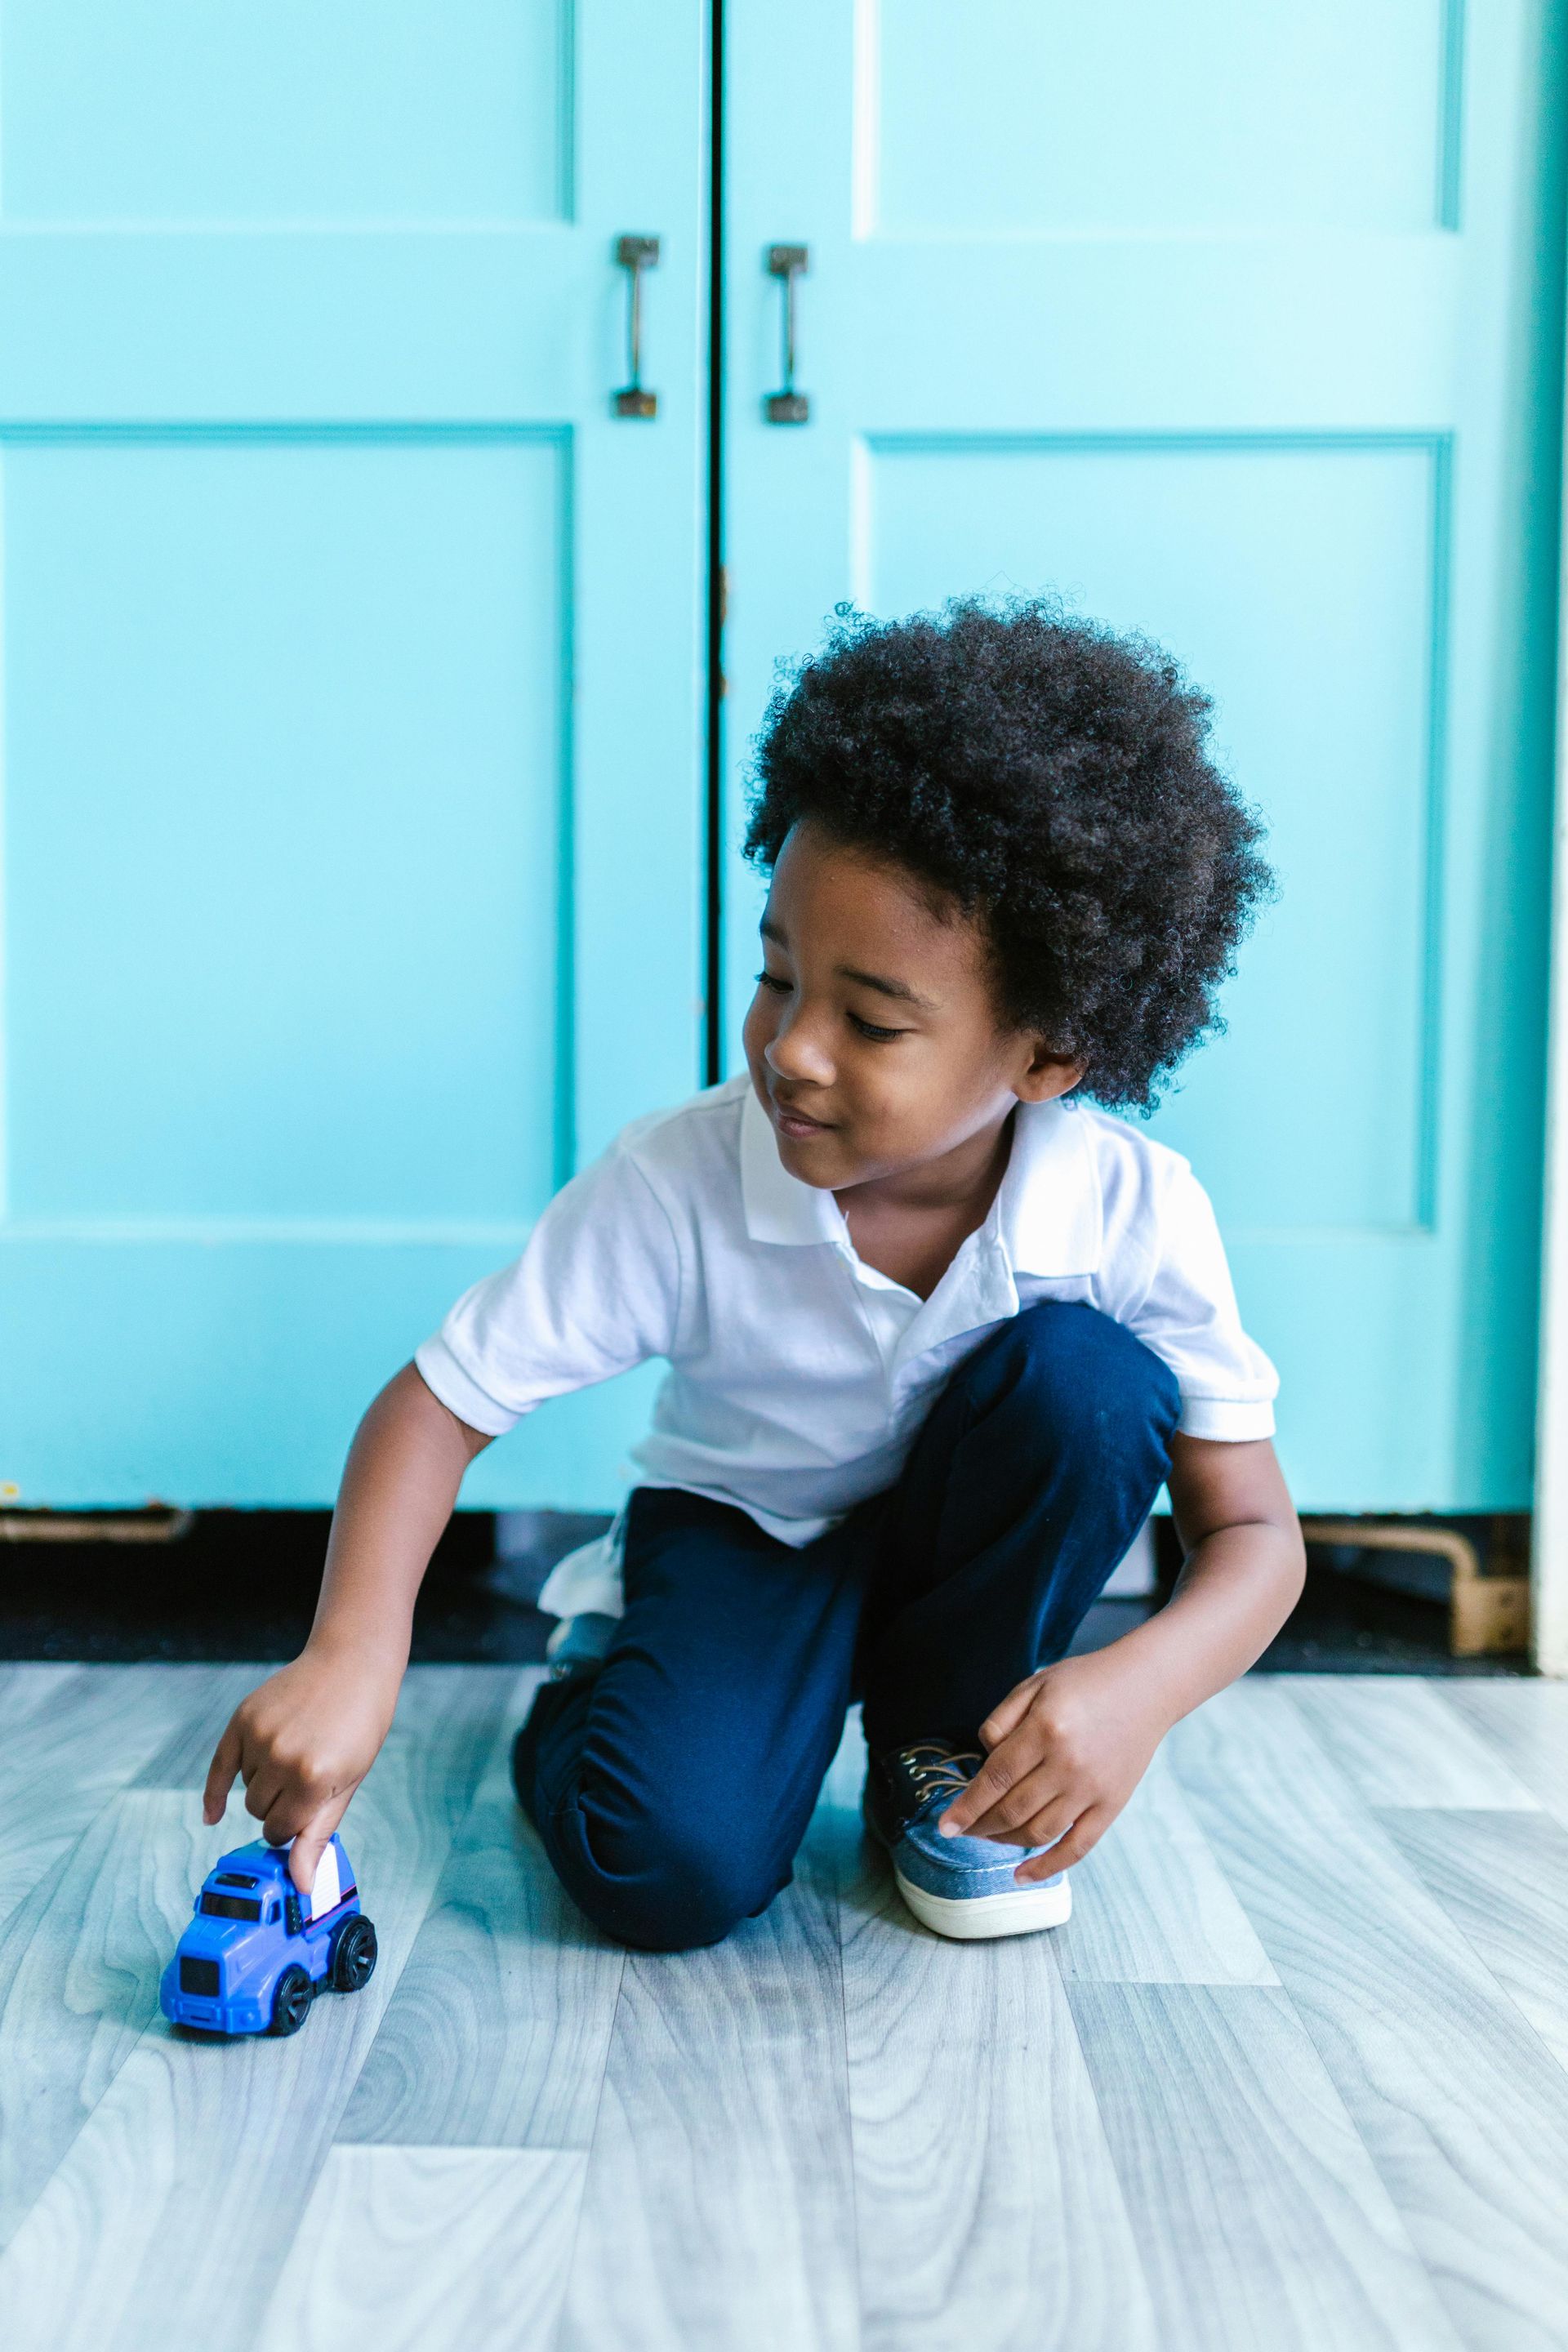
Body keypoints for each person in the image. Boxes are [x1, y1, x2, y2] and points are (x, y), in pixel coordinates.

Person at [203, 597, 1304, 1951]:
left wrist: (1136, 1689)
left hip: (961, 1562)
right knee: (662, 1874)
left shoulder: (1134, 1208)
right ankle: (594, 1700)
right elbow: (435, 1406)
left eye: (873, 1019)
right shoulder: (681, 1177)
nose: (792, 1049)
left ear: (1050, 1056)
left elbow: (1256, 1537)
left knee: (1089, 1384)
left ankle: (932, 1756)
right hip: (740, 1534)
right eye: (779, 977)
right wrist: (352, 1656)